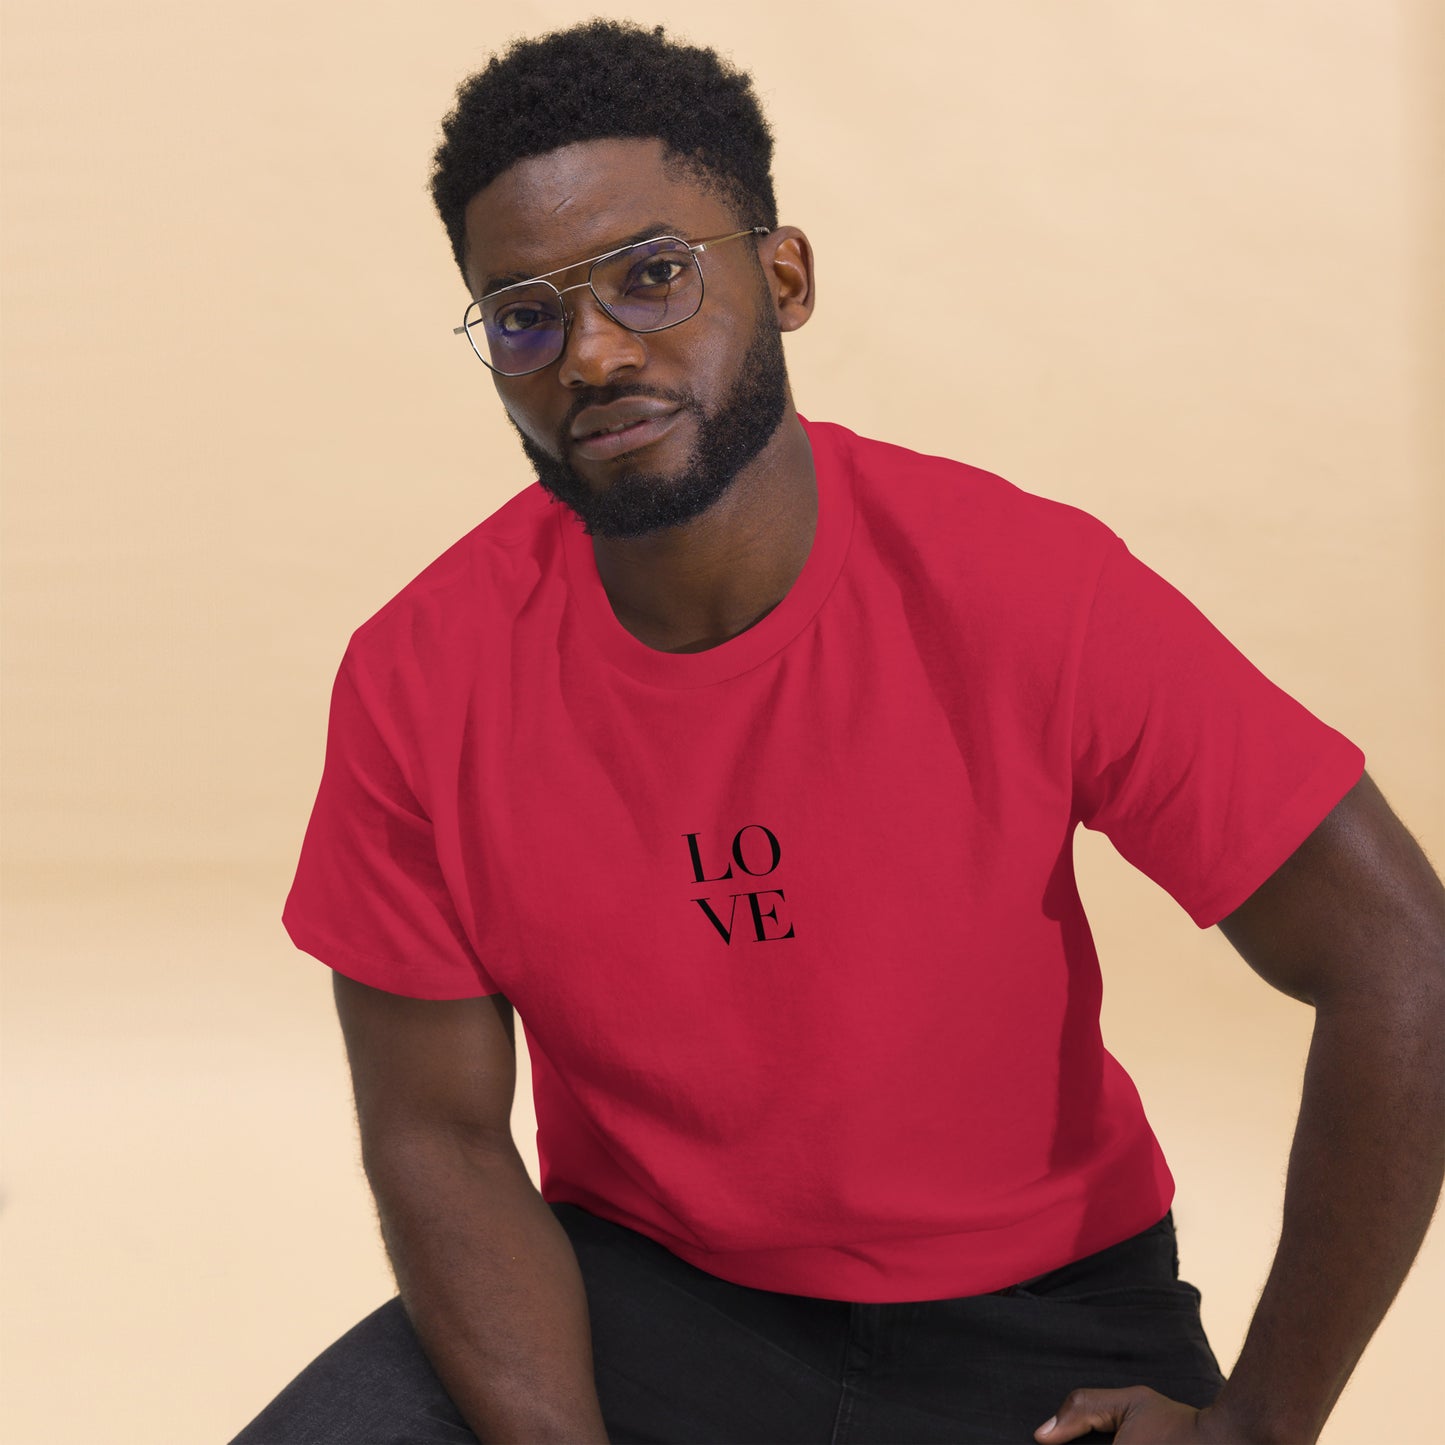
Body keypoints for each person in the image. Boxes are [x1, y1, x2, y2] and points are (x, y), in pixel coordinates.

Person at [232, 20, 1445, 1445]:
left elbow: (1399, 958)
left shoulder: (1023, 587)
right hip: (643, 1299)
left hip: (1037, 1324)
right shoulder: (416, 674)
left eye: (653, 275)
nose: (594, 352)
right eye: (523, 316)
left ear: (783, 276)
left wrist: (1260, 1423)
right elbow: (434, 1129)